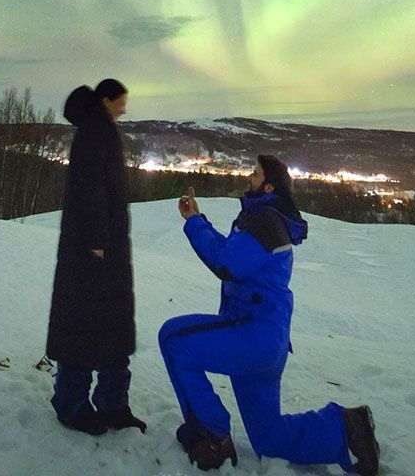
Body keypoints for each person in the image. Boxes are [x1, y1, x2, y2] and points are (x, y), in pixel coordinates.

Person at [158, 155, 380, 474]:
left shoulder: (263, 219)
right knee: (268, 437)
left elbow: (227, 264)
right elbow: (234, 256)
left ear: (269, 185)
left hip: (251, 335)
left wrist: (194, 224)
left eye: (255, 173)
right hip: (267, 342)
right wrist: (198, 220)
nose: (249, 177)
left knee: (174, 340)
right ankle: (346, 429)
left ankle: (212, 438)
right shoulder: (268, 218)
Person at [46, 79, 146, 436]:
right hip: (92, 249)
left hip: (108, 247)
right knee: (83, 323)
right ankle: (71, 404)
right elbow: (89, 187)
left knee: (112, 323)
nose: (125, 107)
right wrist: (97, 239)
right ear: (106, 100)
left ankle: (113, 403)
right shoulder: (94, 131)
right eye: (122, 100)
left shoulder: (101, 129)